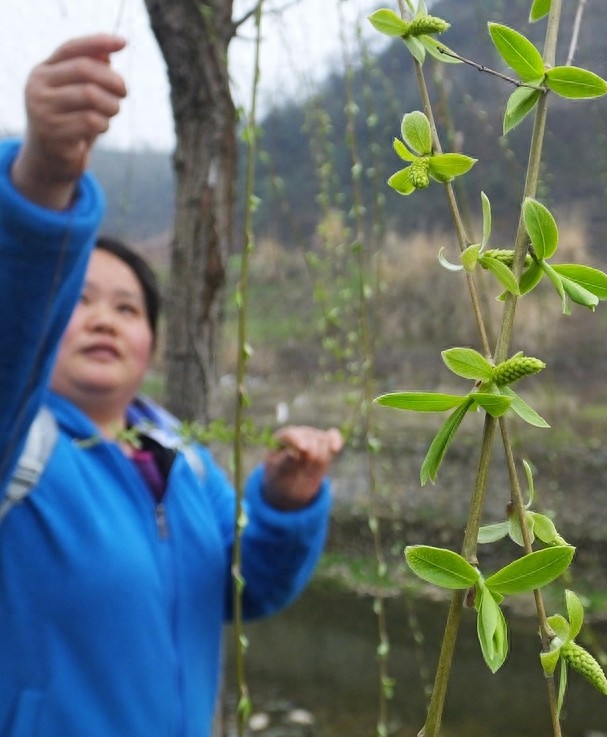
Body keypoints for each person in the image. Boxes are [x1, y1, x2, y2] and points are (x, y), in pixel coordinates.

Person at [0, 34, 344, 737]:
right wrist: (43, 180)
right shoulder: (18, 448)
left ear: (150, 340)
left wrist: (283, 501)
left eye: (127, 308)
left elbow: (246, 588)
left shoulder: (180, 457)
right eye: (79, 302)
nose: (104, 321)